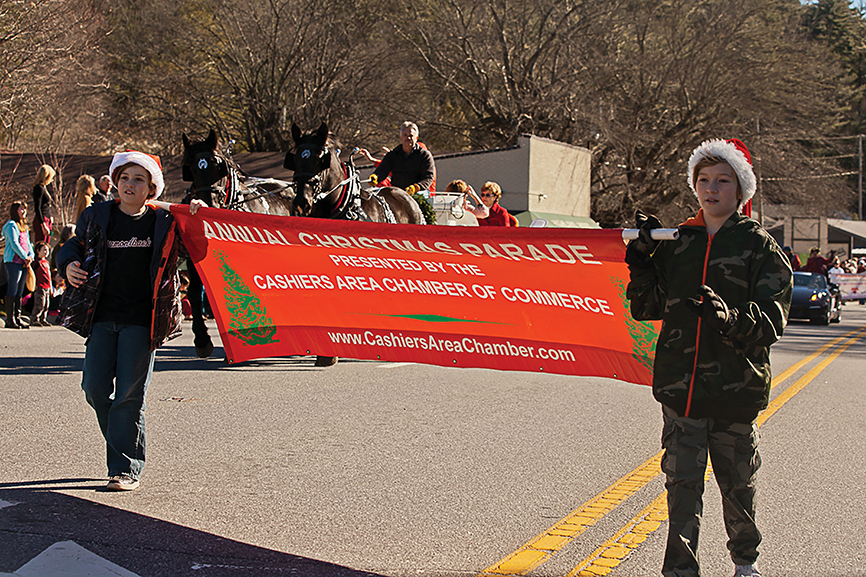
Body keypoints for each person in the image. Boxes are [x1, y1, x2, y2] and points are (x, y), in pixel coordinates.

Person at [625, 138, 792, 577]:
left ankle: (745, 562)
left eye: (723, 181)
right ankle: (680, 571)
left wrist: (727, 317)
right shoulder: (679, 242)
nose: (712, 189)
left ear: (741, 191)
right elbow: (646, 308)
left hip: (737, 391)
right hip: (682, 390)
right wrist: (642, 263)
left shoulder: (759, 247)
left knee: (738, 487)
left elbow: (772, 322)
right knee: (682, 488)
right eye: (704, 180)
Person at [56, 150, 205, 492]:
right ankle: (123, 441)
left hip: (142, 321)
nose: (129, 184)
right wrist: (68, 265)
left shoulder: (165, 222)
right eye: (124, 178)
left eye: (138, 179)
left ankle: (125, 468)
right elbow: (72, 247)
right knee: (93, 389)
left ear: (151, 188)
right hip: (101, 318)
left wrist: (194, 218)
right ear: (115, 182)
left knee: (128, 395)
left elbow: (198, 249)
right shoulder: (97, 216)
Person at [369, 121, 436, 194]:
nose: (408, 138)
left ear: (416, 138)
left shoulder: (425, 155)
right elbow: (382, 170)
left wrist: (416, 187)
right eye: (405, 135)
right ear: (400, 137)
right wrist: (375, 177)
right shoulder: (392, 155)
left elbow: (428, 177)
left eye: (411, 135)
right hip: (397, 194)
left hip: (419, 194)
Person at [3, 201, 35, 329]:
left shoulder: (24, 227)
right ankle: (9, 319)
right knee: (13, 288)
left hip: (24, 263)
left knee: (20, 291)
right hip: (13, 262)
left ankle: (17, 317)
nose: (23, 211)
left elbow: (28, 244)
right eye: (21, 209)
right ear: (15, 210)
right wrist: (24, 256)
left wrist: (30, 257)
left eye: (24, 209)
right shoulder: (11, 225)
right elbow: (14, 243)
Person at [28, 241, 52, 326]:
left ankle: (43, 318)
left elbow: (49, 275)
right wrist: (33, 284)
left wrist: (51, 287)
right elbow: (32, 274)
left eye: (47, 250)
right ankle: (34, 319)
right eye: (44, 250)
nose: (46, 252)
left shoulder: (46, 262)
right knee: (40, 304)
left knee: (46, 305)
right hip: (40, 286)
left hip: (47, 286)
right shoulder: (36, 262)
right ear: (38, 251)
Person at [31, 164, 56, 243]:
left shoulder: (43, 188)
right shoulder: (38, 188)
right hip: (42, 220)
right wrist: (43, 224)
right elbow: (37, 207)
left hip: (47, 219)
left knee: (46, 245)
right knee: (41, 245)